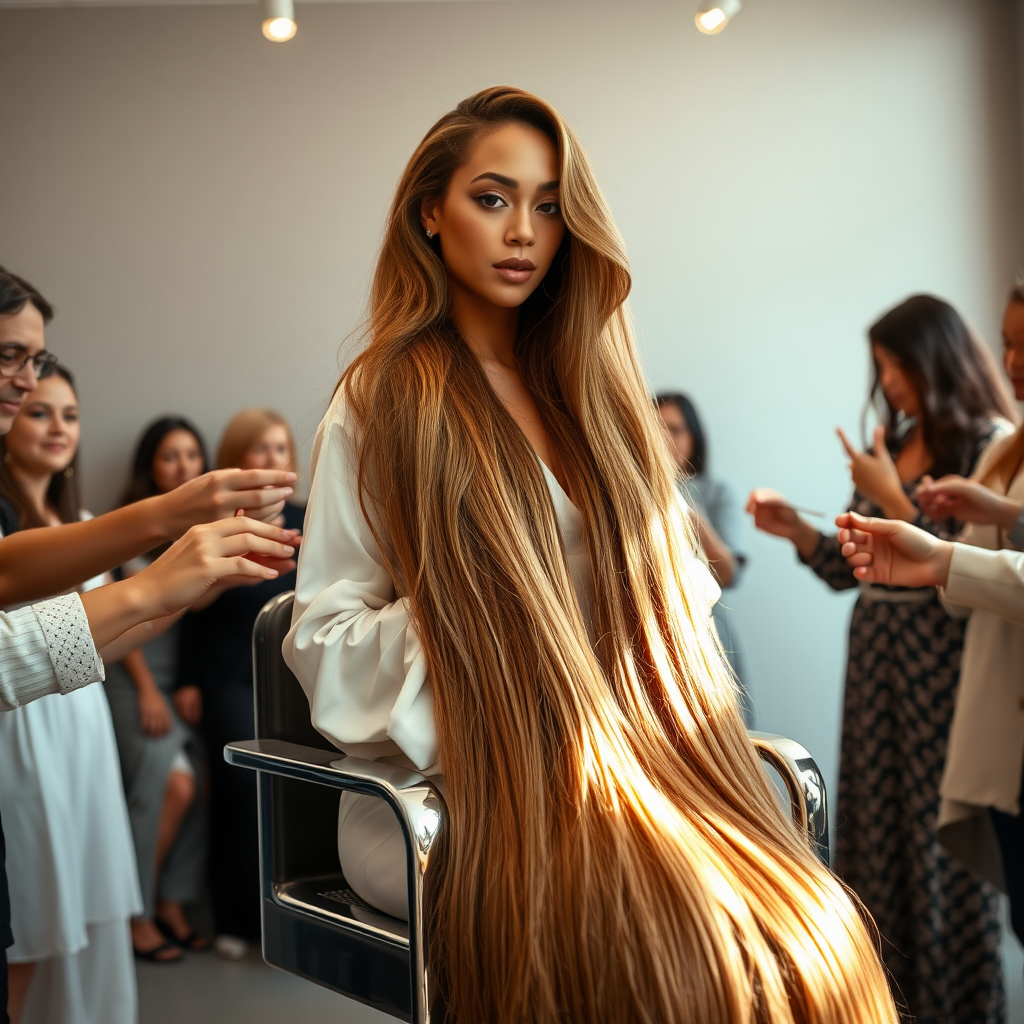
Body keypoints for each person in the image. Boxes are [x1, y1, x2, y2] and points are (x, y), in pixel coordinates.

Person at [284, 86, 897, 1023]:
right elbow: (323, 638)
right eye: (492, 199)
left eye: (547, 205)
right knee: (676, 940)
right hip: (453, 788)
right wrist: (496, 613)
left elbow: (676, 601)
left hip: (635, 760)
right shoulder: (379, 402)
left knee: (804, 928)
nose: (522, 230)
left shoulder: (595, 398)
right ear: (429, 214)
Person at [0, 265, 298, 1024]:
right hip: (28, 724)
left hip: (67, 705)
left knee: (54, 928)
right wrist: (162, 557)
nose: (26, 385)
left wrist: (186, 562)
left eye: (35, 361)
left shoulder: (64, 512)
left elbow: (42, 598)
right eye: (13, 359)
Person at [748, 294, 1016, 1022]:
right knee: (876, 832)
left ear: (934, 358)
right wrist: (798, 533)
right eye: (881, 366)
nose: (888, 380)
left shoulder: (988, 444)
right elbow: (858, 567)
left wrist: (889, 494)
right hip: (877, 671)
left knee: (939, 848)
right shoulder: (894, 441)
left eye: (895, 363)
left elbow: (963, 568)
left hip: (943, 671)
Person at [176, 408, 305, 960]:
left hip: (294, 681)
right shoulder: (216, 523)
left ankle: (292, 917)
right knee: (238, 792)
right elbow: (188, 611)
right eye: (260, 449)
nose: (272, 459)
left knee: (295, 795)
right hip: (227, 675)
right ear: (238, 458)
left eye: (280, 449)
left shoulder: (312, 518)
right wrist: (186, 682)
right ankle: (234, 918)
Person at [104, 417, 212, 960]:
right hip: (134, 679)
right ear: (150, 464)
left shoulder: (198, 531)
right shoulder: (133, 527)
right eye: (170, 456)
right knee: (168, 787)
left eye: (192, 455)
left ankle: (173, 901)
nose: (182, 466)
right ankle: (134, 913)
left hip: (177, 682)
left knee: (196, 789)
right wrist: (148, 691)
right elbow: (125, 618)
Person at [656, 392, 749, 718]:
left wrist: (690, 516)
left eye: (675, 429)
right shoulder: (631, 491)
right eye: (656, 428)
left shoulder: (715, 492)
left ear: (694, 437)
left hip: (708, 632)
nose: (664, 438)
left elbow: (730, 574)